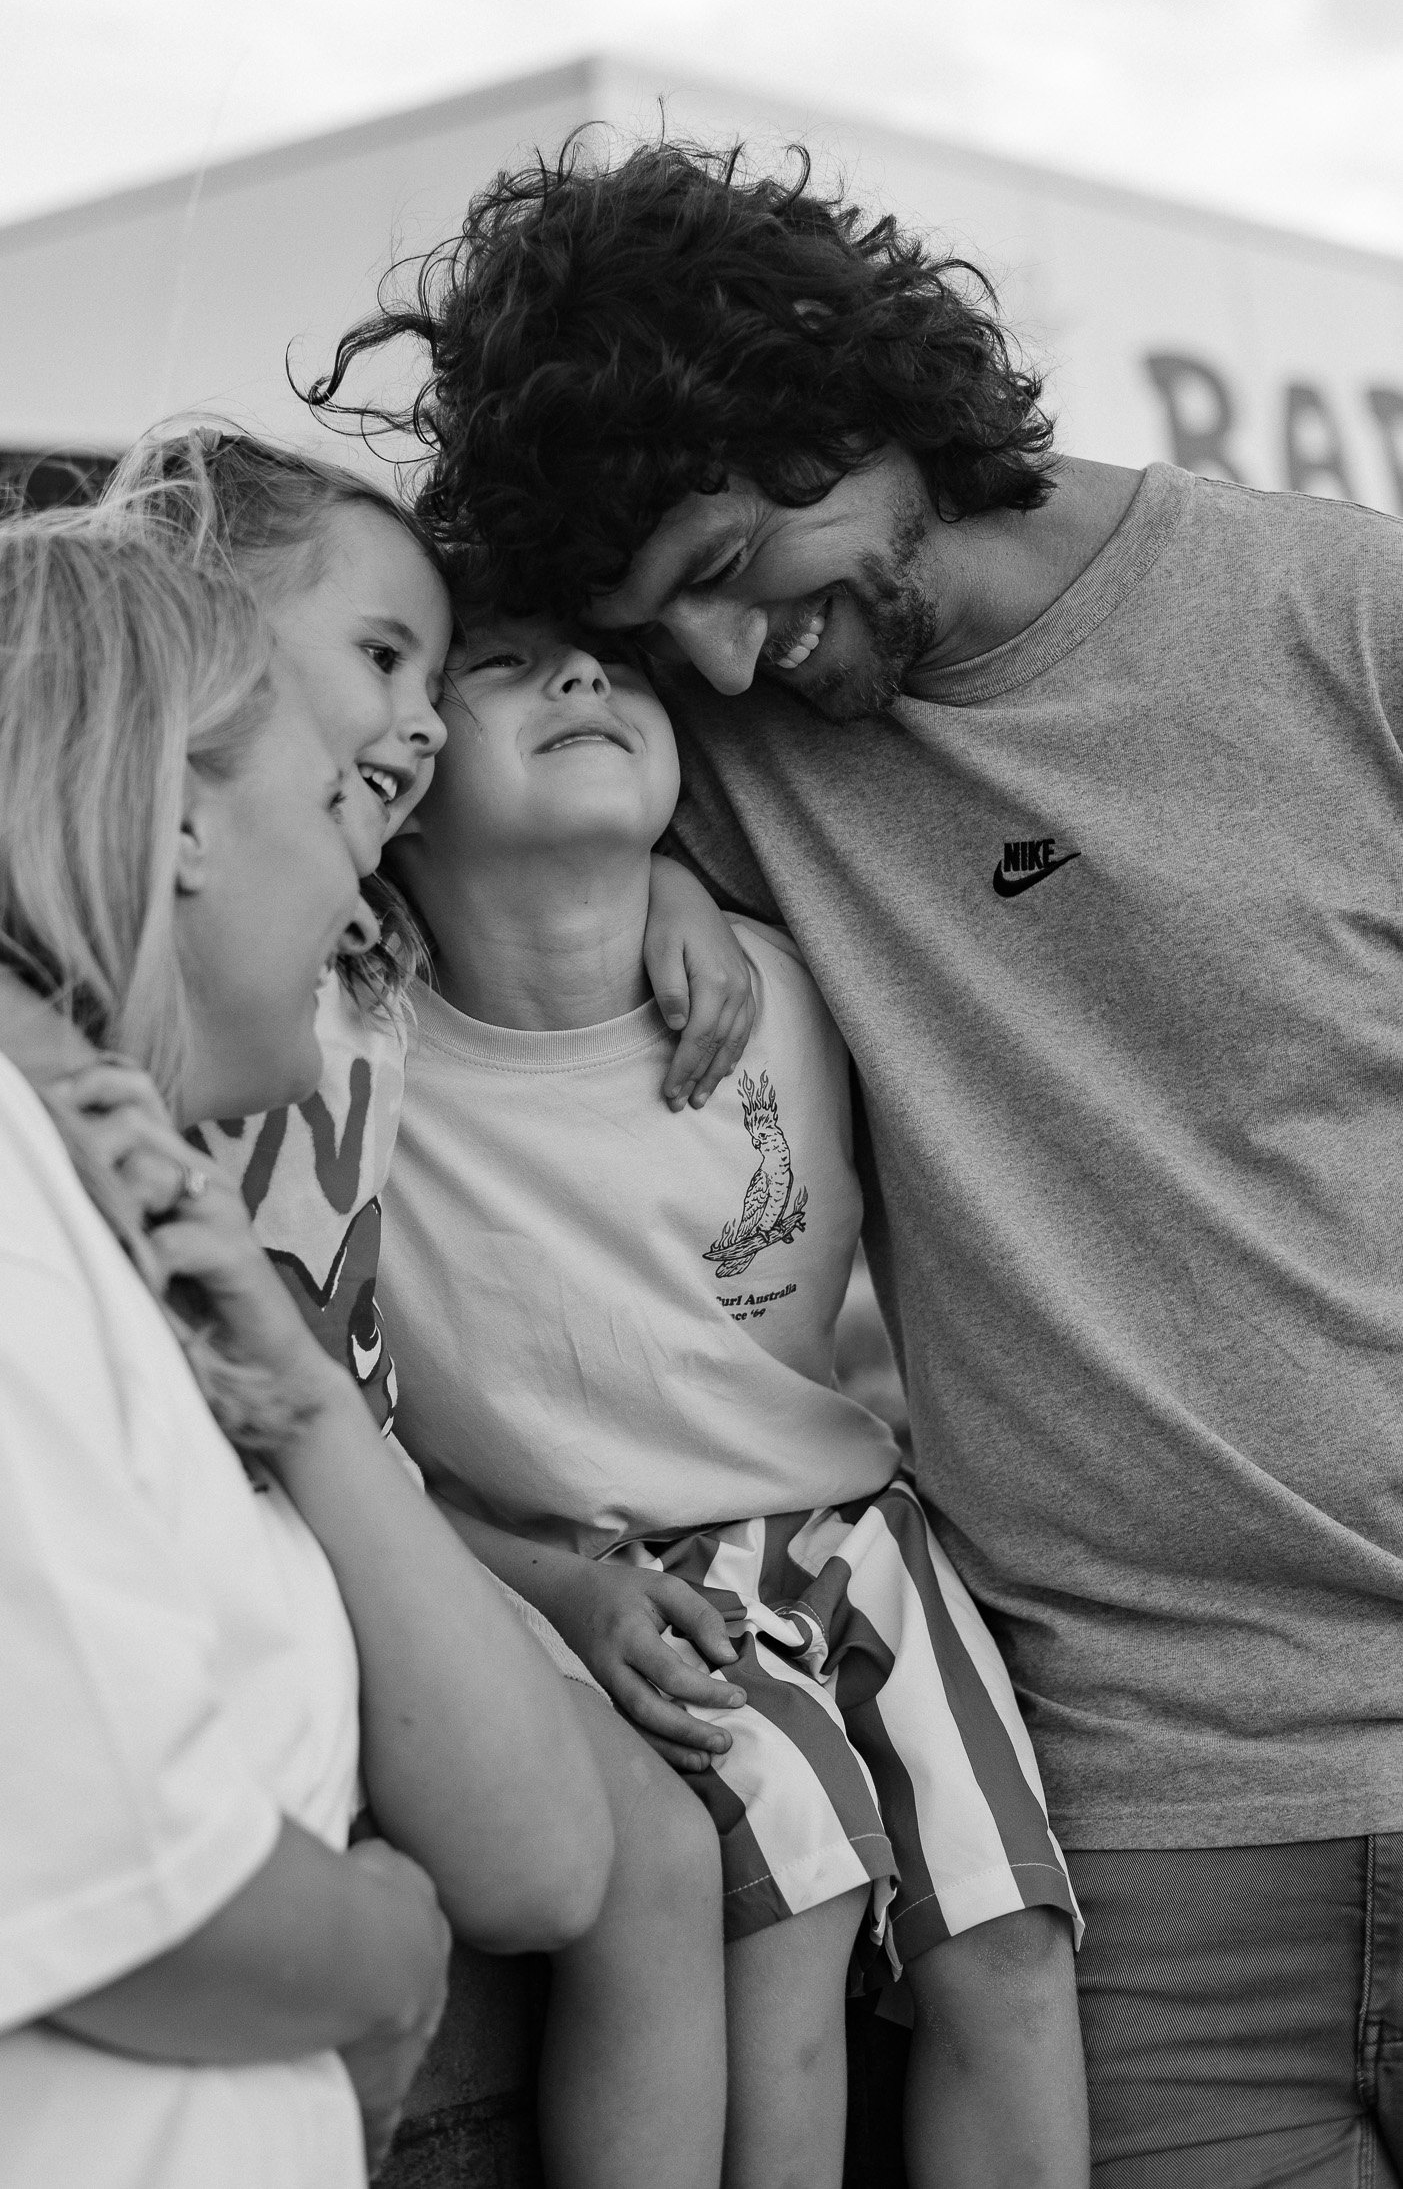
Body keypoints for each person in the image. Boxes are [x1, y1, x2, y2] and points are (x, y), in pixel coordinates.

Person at [314, 136, 1403, 2187]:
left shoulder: (1346, 619)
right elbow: (405, 748)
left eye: (730, 559)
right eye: (658, 630)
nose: (722, 663)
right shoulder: (707, 743)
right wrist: (659, 889)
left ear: (851, 398)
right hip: (1150, 1830)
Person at [0, 428, 761, 2189]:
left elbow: (541, 1853)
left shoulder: (118, 1201)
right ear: (177, 813)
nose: (367, 879)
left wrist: (289, 1373)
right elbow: (115, 1890)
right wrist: (383, 1969)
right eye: (338, 807)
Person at [376, 608, 1088, 2189]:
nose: (580, 679)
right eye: (499, 667)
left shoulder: (787, 977)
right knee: (800, 1885)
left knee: (1011, 1931)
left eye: (614, 666)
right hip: (603, 1573)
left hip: (857, 1539)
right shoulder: (359, 1043)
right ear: (401, 775)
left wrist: (681, 886)